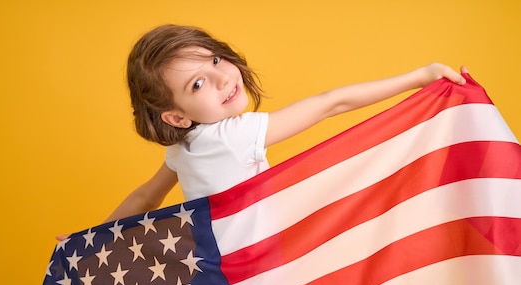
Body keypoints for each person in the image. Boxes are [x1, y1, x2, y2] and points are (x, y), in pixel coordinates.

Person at [62, 24, 467, 237]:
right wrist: (420, 76)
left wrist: (90, 239)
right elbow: (331, 103)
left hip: (216, 273)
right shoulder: (233, 134)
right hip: (253, 271)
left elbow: (146, 196)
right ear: (176, 117)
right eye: (197, 84)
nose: (222, 79)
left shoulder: (184, 148)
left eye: (216, 61)